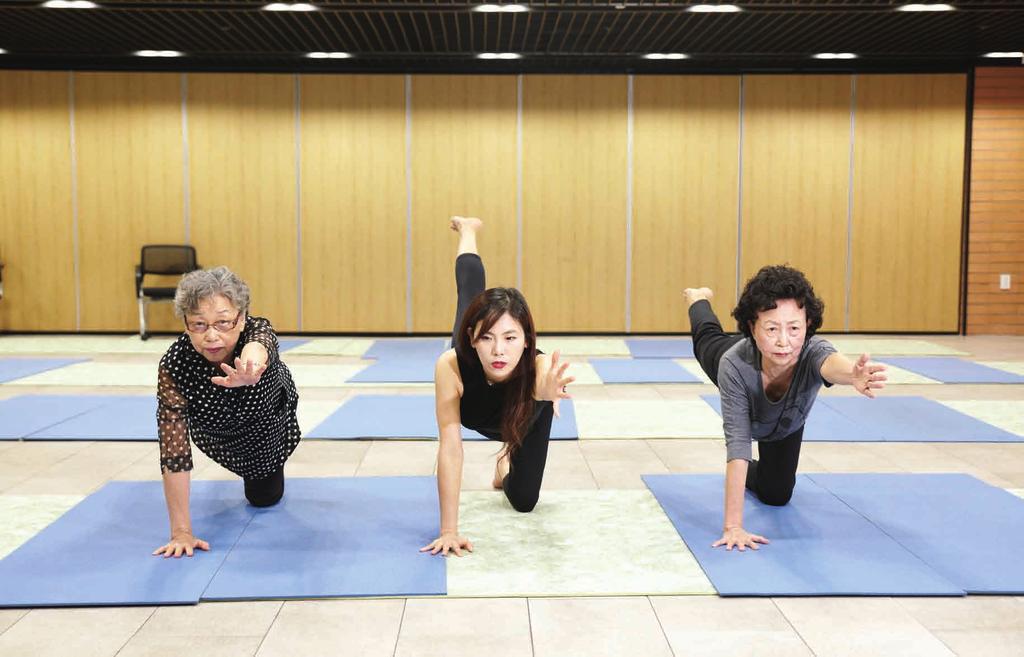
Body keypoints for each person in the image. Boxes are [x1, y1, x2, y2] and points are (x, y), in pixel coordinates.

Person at [684, 265, 887, 552]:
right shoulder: (733, 365)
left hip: (783, 425)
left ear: (807, 326)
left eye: (794, 328)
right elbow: (738, 445)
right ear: (753, 327)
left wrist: (852, 375)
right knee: (706, 338)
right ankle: (698, 299)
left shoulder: (811, 351)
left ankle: (761, 474)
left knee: (777, 494)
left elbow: (831, 365)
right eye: (771, 328)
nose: (783, 341)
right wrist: (733, 526)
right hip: (734, 359)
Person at [421, 216, 574, 557]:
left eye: (510, 338)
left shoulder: (538, 368)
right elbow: (450, 447)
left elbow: (548, 375)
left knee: (523, 502)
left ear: (526, 340)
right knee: (470, 294)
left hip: (520, 422)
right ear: (473, 338)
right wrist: (449, 530)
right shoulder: (452, 364)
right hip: (478, 404)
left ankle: (502, 468)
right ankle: (469, 231)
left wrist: (546, 395)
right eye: (487, 337)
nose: (499, 350)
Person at [152, 266, 300, 558]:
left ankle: (264, 469)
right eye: (198, 324)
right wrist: (180, 531)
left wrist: (250, 371)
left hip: (265, 420)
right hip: (217, 429)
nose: (211, 336)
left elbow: (258, 348)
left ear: (241, 319)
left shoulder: (257, 330)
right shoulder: (174, 366)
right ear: (185, 324)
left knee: (263, 498)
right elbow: (173, 449)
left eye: (222, 323)